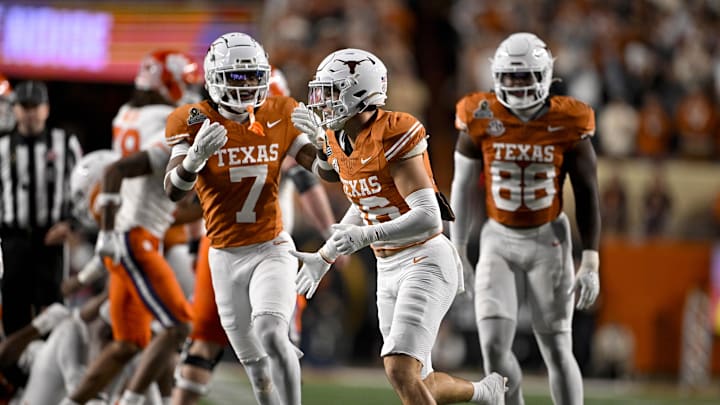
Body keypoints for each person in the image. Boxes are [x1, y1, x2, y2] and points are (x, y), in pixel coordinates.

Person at [289, 47, 506, 405]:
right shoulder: (339, 138)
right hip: (388, 266)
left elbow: (427, 217)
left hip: (424, 259)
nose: (321, 102)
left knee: (399, 368)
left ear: (359, 93)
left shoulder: (394, 131)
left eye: (330, 93)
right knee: (421, 381)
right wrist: (325, 255)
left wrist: (364, 236)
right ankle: (486, 392)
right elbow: (365, 202)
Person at [163, 32, 338, 405]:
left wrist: (326, 148)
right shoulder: (192, 120)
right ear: (213, 78)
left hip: (272, 247)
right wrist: (193, 162)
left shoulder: (279, 113)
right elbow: (174, 191)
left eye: (255, 76)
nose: (249, 86)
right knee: (257, 370)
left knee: (274, 335)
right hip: (223, 255)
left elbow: (325, 173)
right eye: (238, 77)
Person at [449, 32, 601, 405]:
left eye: (526, 76)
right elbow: (462, 185)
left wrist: (592, 260)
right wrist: (457, 247)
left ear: (547, 75)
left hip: (548, 238)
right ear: (496, 75)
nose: (517, 85)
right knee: (493, 349)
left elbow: (587, 192)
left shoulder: (569, 119)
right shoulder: (478, 113)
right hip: (497, 237)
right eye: (510, 76)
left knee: (556, 346)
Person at [62, 50, 201, 405]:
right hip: (136, 238)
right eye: (184, 82)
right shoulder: (165, 119)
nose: (189, 89)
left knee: (127, 344)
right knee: (179, 326)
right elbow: (117, 170)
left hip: (130, 232)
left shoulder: (127, 113)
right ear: (167, 84)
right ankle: (131, 402)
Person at [0, 80, 83, 335]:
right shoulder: (3, 146)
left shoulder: (65, 142)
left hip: (50, 239)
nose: (30, 112)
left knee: (53, 308)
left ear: (46, 109)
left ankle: (49, 366)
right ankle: (15, 372)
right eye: (24, 106)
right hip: (13, 239)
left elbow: (82, 189)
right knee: (14, 309)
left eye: (35, 106)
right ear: (14, 109)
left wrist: (70, 223)